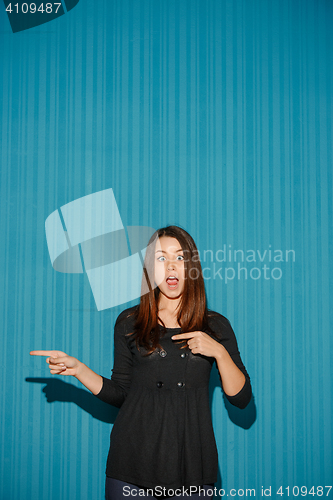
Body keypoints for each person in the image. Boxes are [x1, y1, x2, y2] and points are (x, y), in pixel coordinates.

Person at [30, 226, 252, 499]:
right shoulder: (130, 322)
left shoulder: (215, 325)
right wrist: (79, 370)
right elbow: (122, 393)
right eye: (161, 258)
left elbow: (241, 399)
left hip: (192, 463)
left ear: (191, 267)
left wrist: (219, 352)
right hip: (133, 461)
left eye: (180, 257)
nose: (171, 265)